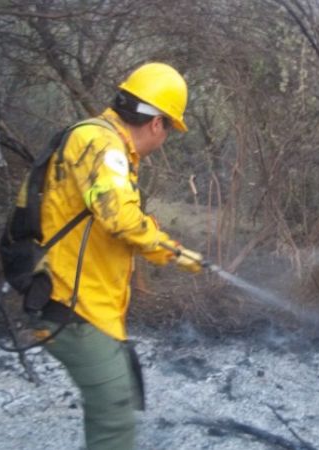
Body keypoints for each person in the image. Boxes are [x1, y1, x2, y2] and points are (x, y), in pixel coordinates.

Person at [35, 62, 203, 450]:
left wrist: (160, 248)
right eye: (170, 130)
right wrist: (174, 252)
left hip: (89, 306)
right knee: (114, 418)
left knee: (115, 401)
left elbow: (109, 219)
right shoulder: (101, 143)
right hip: (71, 307)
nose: (164, 141)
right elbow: (119, 217)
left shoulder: (103, 145)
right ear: (157, 123)